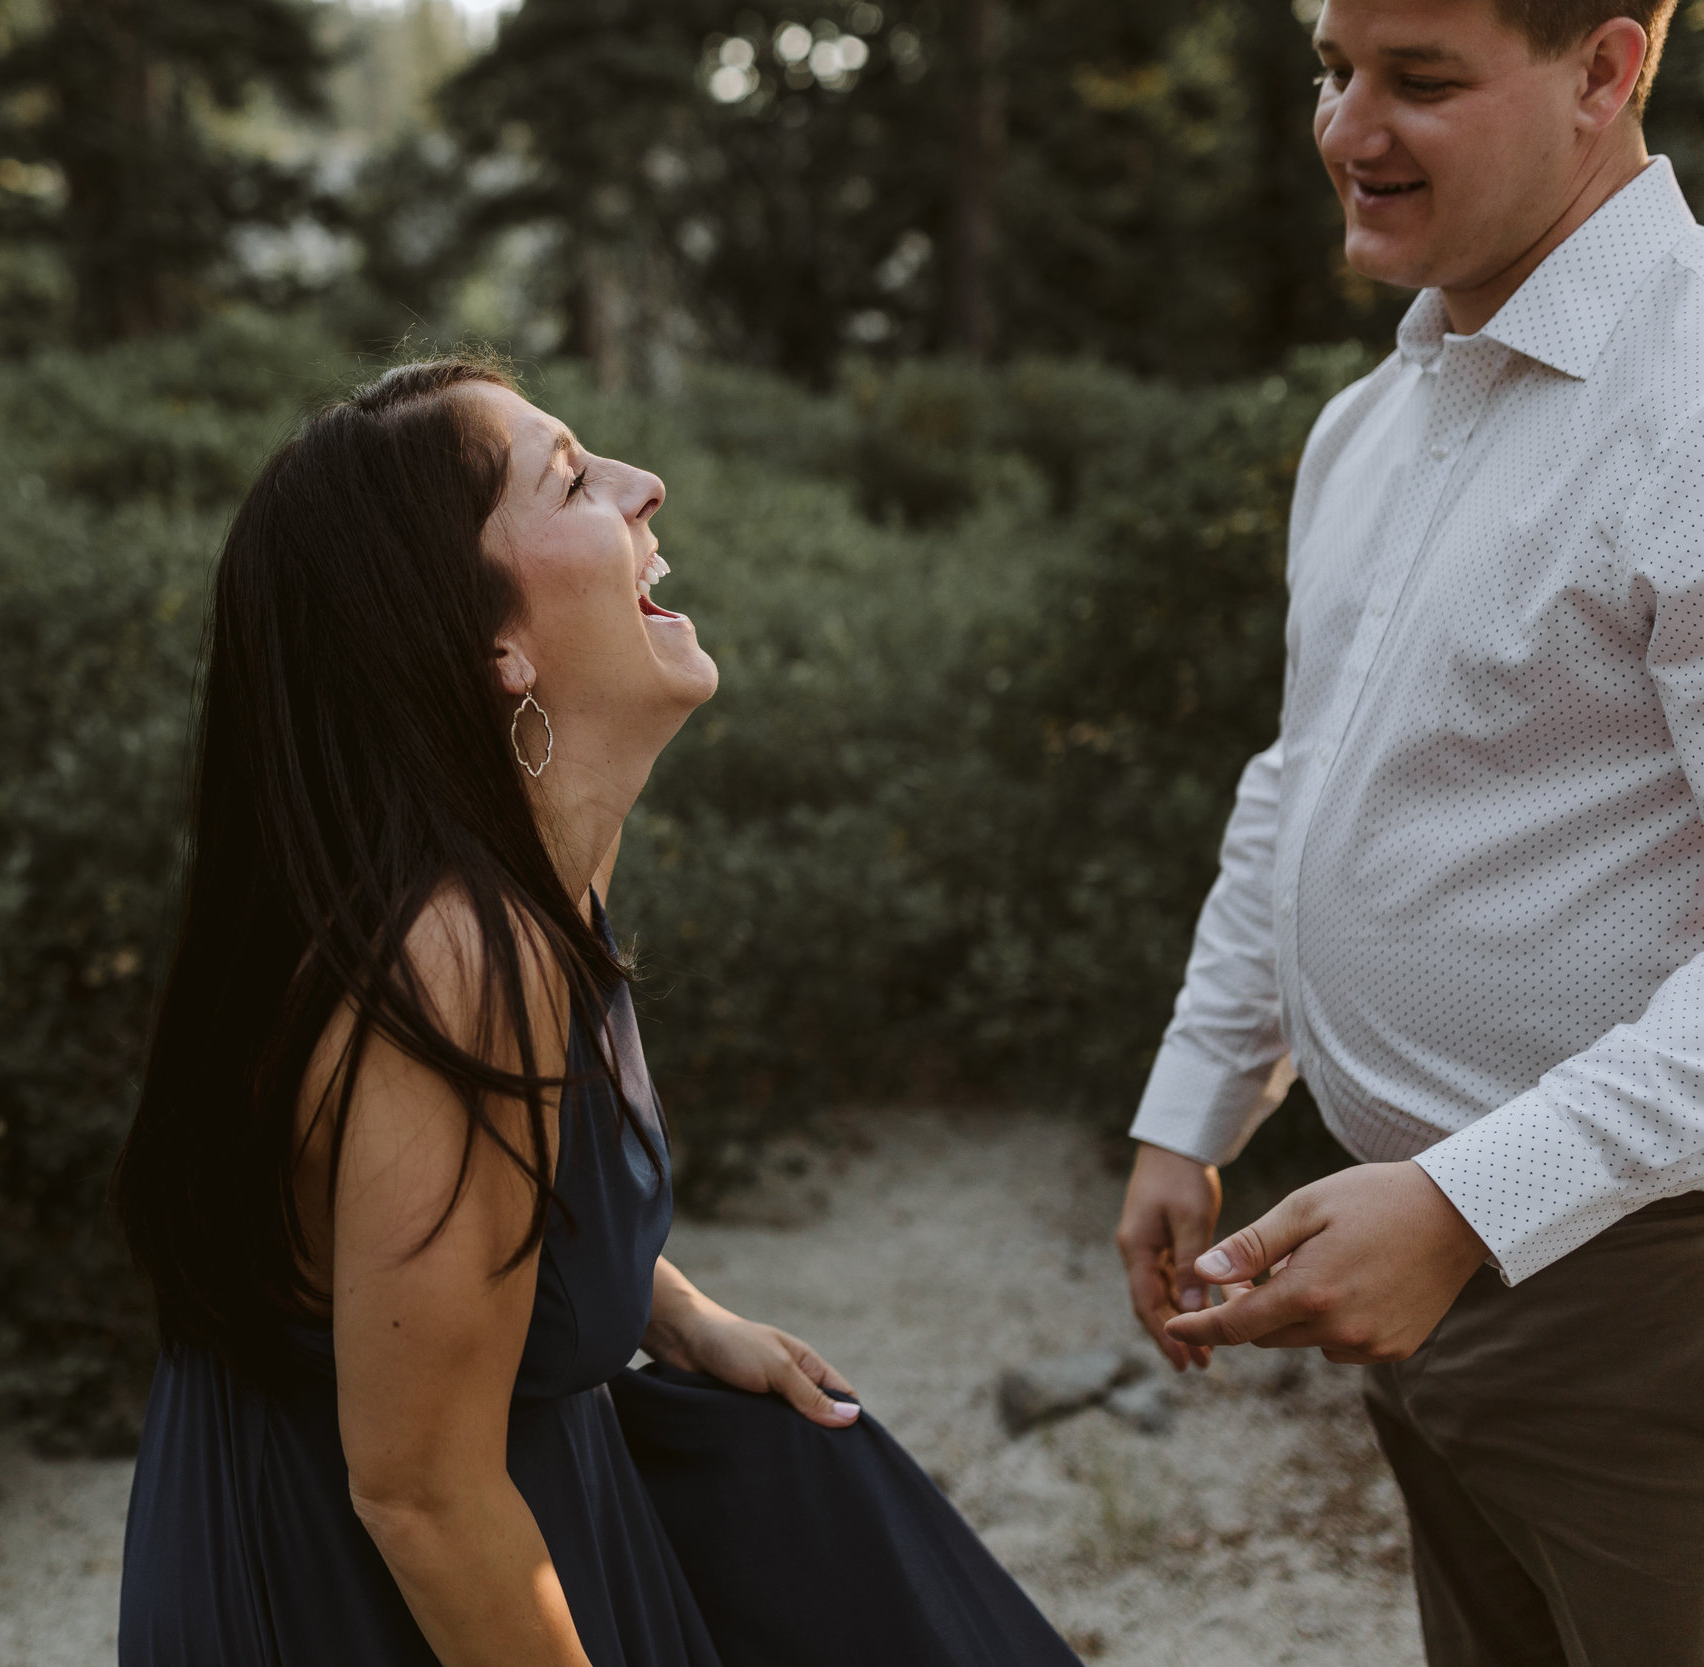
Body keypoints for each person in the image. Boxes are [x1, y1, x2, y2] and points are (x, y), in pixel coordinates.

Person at [112, 359, 1079, 1666]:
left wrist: (674, 1313)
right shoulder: (455, 953)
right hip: (377, 1591)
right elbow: (420, 1493)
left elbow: (499, 1207)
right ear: (487, 643)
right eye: (572, 478)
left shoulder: (534, 869)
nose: (644, 484)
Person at [1114, 1, 1704, 1661]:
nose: (1346, 130)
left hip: (1656, 1290)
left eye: (1420, 82)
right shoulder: (1374, 420)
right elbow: (1304, 773)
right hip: (1436, 1284)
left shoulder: (1697, 405)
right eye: (1331, 69)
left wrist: (1467, 1202)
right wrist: (1193, 1105)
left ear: (1606, 70)